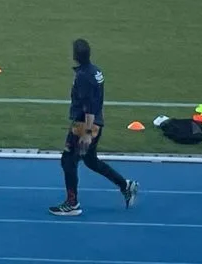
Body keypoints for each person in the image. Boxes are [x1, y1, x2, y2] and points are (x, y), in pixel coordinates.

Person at [49, 39, 138, 217]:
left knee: (68, 161)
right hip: (94, 122)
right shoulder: (95, 71)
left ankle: (72, 203)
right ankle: (125, 185)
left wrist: (87, 133)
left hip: (84, 125)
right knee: (90, 160)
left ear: (75, 55)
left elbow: (89, 105)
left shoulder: (84, 76)